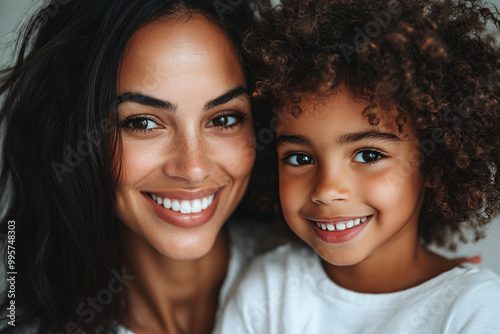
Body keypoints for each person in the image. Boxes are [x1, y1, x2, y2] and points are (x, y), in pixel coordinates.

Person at [215, 0, 500, 333]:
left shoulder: (472, 308)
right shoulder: (266, 289)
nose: (327, 190)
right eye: (300, 158)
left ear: (433, 163)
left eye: (368, 155)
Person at [0, 0, 282, 332]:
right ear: (74, 137)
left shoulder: (317, 284)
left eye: (224, 118)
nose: (193, 169)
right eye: (143, 123)